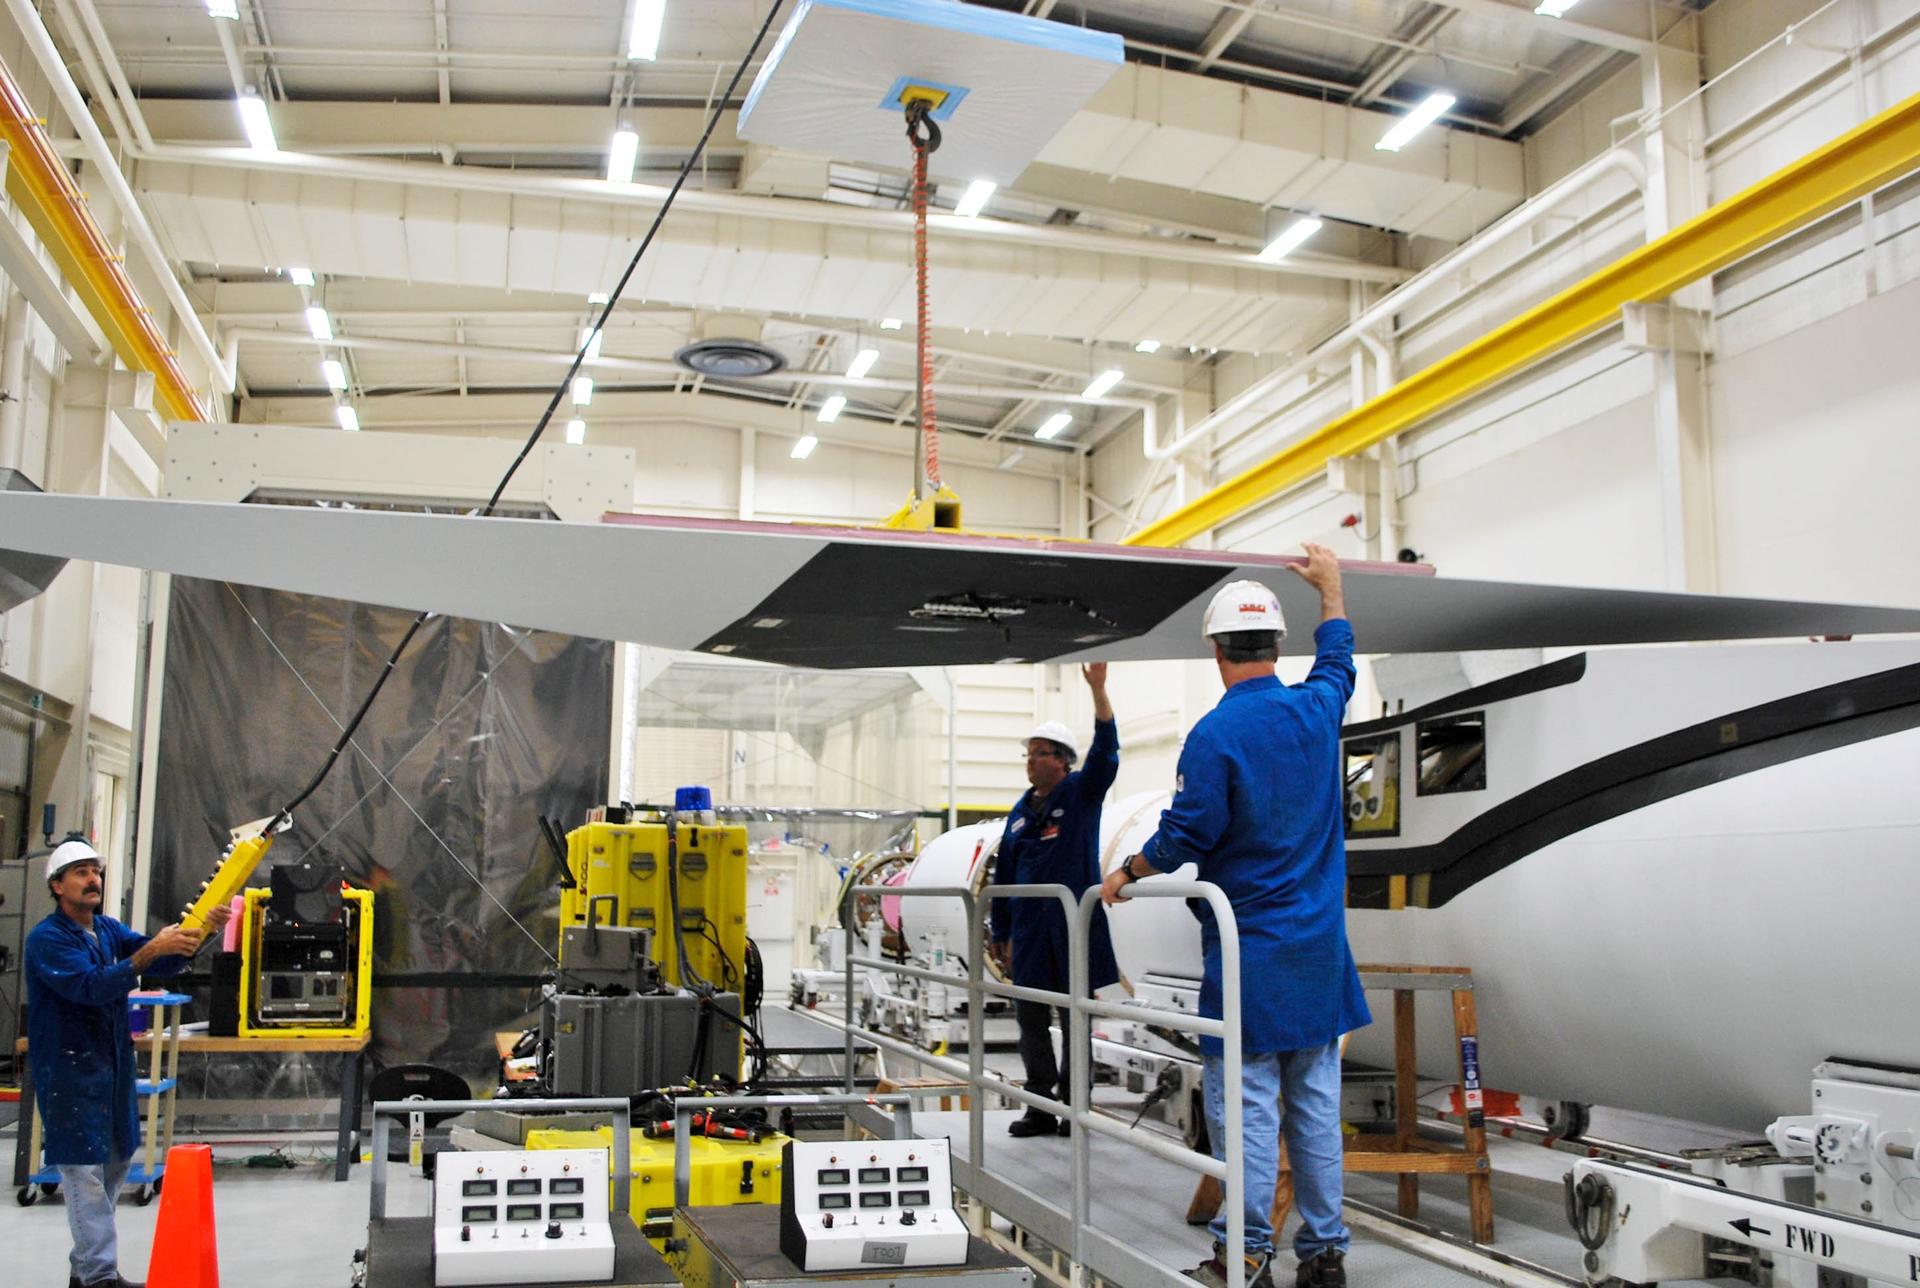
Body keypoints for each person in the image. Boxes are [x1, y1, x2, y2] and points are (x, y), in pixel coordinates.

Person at [1101, 544, 1369, 1288]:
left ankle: (1245, 1256)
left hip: (1251, 957)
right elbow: (1339, 662)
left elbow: (1185, 837)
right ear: (1276, 646)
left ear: (1216, 651)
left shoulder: (1216, 735)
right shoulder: (1317, 710)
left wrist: (1126, 872)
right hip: (1319, 957)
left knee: (1248, 1111)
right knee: (1315, 1108)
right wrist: (1332, 591)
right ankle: (1325, 1254)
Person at [26, 838, 229, 1288]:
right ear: (57, 885)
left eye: (95, 871)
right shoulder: (47, 940)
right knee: (84, 1175)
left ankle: (85, 1272)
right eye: (81, 872)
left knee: (116, 1160)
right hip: (69, 1072)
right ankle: (99, 1276)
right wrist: (150, 952)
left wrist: (202, 931)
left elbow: (166, 961)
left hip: (111, 1066)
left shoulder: (107, 929)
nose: (93, 879)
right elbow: (91, 986)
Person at [988, 662, 1122, 1138]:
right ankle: (1039, 1106)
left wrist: (1098, 690)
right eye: (1028, 754)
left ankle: (1074, 1108)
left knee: (1074, 1018)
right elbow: (1005, 874)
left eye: (1040, 753)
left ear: (1063, 761)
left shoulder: (1081, 793)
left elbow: (1106, 752)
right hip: (1029, 933)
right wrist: (1001, 931)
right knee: (1030, 1019)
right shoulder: (1020, 813)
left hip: (1071, 929)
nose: (1031, 761)